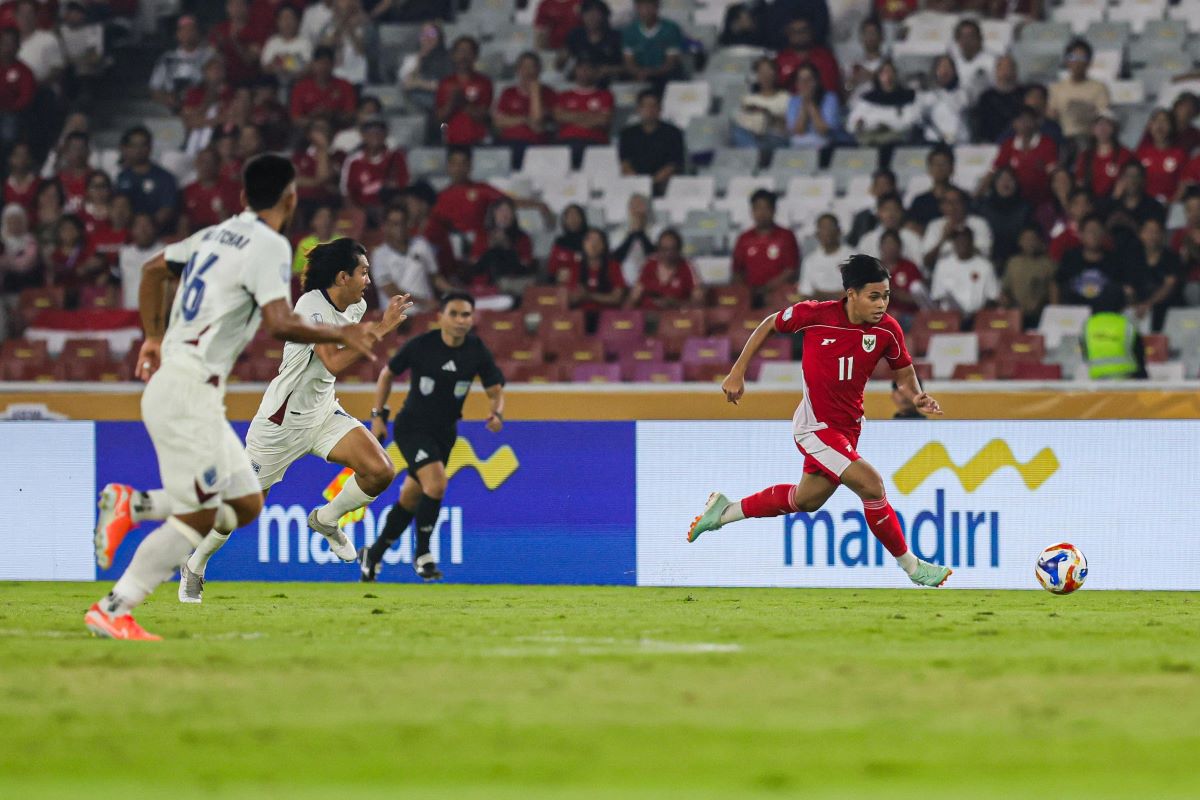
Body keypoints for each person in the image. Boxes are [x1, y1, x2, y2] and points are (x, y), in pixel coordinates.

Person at [87, 154, 381, 639]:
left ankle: (133, 517)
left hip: (184, 386)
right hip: (188, 391)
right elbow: (280, 322)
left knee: (244, 505)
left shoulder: (213, 235)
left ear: (243, 198)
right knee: (202, 511)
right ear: (290, 199)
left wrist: (154, 336)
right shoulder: (267, 245)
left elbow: (152, 270)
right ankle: (119, 587)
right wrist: (348, 337)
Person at [687, 254, 950, 588]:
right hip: (816, 428)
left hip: (849, 428)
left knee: (806, 500)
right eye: (874, 296)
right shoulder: (815, 315)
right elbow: (770, 322)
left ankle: (724, 512)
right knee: (872, 485)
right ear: (851, 294)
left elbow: (904, 371)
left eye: (886, 296)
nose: (882, 304)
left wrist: (916, 396)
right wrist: (738, 372)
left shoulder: (888, 330)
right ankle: (913, 567)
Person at [361, 291, 505, 581]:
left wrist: (497, 412)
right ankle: (423, 554)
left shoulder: (476, 350)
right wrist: (378, 416)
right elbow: (387, 374)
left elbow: (495, 388)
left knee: (411, 498)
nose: (460, 320)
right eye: (454, 313)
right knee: (437, 483)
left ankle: (373, 554)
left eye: (466, 314)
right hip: (412, 428)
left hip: (445, 433)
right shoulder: (421, 346)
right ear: (440, 317)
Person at [730, 189, 800, 304]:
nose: (761, 213)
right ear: (752, 211)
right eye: (757, 208)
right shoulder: (744, 238)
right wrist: (747, 291)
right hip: (750, 297)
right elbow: (736, 271)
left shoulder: (786, 236)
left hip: (779, 296)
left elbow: (791, 270)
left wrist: (767, 289)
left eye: (766, 208)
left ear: (773, 210)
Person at [371, 204, 445, 312]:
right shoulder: (379, 255)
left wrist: (453, 292)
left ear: (408, 224)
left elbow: (435, 278)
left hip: (427, 313)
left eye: (403, 223)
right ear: (386, 226)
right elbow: (390, 290)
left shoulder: (421, 244)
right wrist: (423, 303)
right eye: (395, 224)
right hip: (398, 318)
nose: (400, 228)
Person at [1055, 214, 1130, 313]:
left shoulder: (1114, 260)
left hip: (1105, 318)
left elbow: (1126, 292)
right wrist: (1056, 310)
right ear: (1081, 234)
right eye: (1090, 231)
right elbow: (1056, 283)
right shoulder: (1071, 258)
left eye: (1098, 230)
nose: (1094, 235)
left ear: (1104, 234)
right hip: (1074, 316)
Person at [618, 89, 686, 197]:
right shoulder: (627, 134)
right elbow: (625, 164)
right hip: (636, 184)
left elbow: (673, 165)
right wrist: (639, 183)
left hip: (662, 184)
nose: (650, 110)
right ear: (638, 109)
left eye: (653, 106)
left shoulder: (673, 133)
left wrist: (651, 182)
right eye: (645, 106)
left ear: (660, 109)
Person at [990, 104, 1058, 207]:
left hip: (1042, 200)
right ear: (1013, 124)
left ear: (1036, 121)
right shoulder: (1008, 145)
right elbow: (995, 171)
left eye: (1027, 119)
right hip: (1014, 202)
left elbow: (1053, 173)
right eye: (1019, 120)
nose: (1024, 124)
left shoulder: (1047, 143)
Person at [493, 51, 556, 161]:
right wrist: (525, 120)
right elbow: (499, 121)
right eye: (524, 67)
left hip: (535, 145)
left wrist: (535, 91)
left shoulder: (548, 93)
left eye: (532, 67)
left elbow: (537, 120)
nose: (528, 71)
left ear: (539, 70)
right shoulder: (508, 92)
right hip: (507, 144)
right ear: (518, 70)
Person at [338, 116, 409, 213]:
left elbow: (403, 187)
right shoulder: (353, 161)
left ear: (386, 134)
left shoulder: (396, 157)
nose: (375, 134)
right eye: (369, 130)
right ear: (363, 135)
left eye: (379, 130)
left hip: (388, 211)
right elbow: (346, 194)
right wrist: (357, 215)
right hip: (361, 211)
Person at [1125, 216, 1184, 332]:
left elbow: (1169, 286)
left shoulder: (1171, 257)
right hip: (1139, 306)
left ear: (1162, 235)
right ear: (1141, 234)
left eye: (1156, 232)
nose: (1152, 236)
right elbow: (1129, 288)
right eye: (1148, 231)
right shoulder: (1133, 258)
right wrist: (1134, 305)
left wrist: (1148, 304)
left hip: (1165, 306)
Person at [553, 57, 615, 166]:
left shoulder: (605, 95)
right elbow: (559, 117)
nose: (584, 72)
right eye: (580, 68)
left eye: (588, 68)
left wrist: (572, 118)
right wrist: (590, 116)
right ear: (575, 70)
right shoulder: (564, 95)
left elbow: (603, 121)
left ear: (595, 72)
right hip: (566, 142)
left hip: (595, 142)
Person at [1048, 38, 1110, 142]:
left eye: (1081, 57)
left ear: (1089, 62)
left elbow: (1104, 117)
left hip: (1089, 138)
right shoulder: (1056, 88)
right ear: (1066, 61)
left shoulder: (1099, 88)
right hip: (1062, 138)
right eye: (1072, 57)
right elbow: (1052, 115)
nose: (1077, 62)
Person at [148, 15, 214, 112]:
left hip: (201, 107)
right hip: (172, 109)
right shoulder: (167, 58)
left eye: (191, 30)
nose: (187, 33)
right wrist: (167, 99)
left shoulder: (209, 56)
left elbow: (215, 86)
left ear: (198, 33)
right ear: (177, 34)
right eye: (184, 30)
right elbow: (154, 88)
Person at [846, 61, 920, 147]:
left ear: (896, 75)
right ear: (878, 76)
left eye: (891, 72)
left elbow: (911, 122)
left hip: (898, 141)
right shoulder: (867, 99)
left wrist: (887, 126)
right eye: (884, 72)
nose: (888, 76)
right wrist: (859, 124)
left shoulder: (908, 97)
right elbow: (851, 124)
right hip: (871, 141)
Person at [435, 36, 492, 146]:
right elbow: (439, 119)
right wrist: (451, 102)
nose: (464, 56)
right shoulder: (445, 83)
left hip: (478, 141)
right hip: (451, 141)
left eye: (468, 51)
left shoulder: (484, 82)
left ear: (475, 56)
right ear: (453, 55)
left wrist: (462, 102)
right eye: (460, 51)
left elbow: (484, 116)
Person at [930, 227, 999, 319]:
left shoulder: (985, 266)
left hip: (976, 318)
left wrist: (980, 316)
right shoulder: (942, 265)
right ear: (953, 243)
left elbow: (993, 297)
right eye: (957, 239)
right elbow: (937, 296)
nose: (961, 243)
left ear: (971, 241)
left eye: (964, 239)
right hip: (949, 319)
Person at [625, 228, 702, 309]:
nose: (668, 254)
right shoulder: (649, 265)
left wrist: (675, 303)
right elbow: (633, 298)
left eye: (672, 249)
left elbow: (699, 303)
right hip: (648, 317)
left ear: (679, 250)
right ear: (658, 249)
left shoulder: (687, 267)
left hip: (677, 318)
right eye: (664, 249)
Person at [921, 187, 992, 270]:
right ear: (942, 207)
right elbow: (927, 262)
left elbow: (985, 256)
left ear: (964, 204)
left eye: (957, 202)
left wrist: (964, 240)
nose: (953, 207)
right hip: (944, 275)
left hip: (972, 272)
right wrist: (943, 239)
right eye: (948, 203)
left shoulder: (979, 224)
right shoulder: (934, 225)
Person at [559, 226, 626, 313]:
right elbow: (567, 299)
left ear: (604, 245)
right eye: (589, 240)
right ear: (583, 244)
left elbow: (617, 298)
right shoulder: (575, 266)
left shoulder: (613, 266)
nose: (593, 245)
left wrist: (589, 296)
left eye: (598, 241)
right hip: (579, 316)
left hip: (606, 317)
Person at [977, 166, 1034, 269]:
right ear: (995, 183)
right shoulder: (983, 208)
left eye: (1010, 179)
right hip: (988, 260)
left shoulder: (1025, 208)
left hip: (1018, 263)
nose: (1006, 183)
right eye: (1001, 179)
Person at [289, 46, 357, 130]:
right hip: (308, 129)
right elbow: (296, 119)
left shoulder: (344, 85)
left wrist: (332, 114)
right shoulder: (301, 87)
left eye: (327, 63)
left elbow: (350, 114)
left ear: (333, 65)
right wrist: (314, 119)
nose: (323, 67)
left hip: (337, 127)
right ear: (313, 64)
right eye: (319, 63)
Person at [1001, 224, 1055, 329]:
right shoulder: (1013, 263)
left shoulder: (1048, 265)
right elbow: (1005, 291)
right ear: (1020, 241)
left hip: (1040, 316)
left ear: (1040, 241)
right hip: (1015, 316)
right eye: (1026, 239)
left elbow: (1053, 293)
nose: (1030, 243)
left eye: (1033, 239)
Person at [732, 57, 791, 151]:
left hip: (775, 137)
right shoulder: (748, 99)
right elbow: (743, 121)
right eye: (761, 72)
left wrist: (769, 115)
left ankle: (754, 153)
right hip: (751, 136)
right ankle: (753, 153)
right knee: (737, 130)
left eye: (769, 72)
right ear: (757, 76)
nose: (765, 76)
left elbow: (789, 125)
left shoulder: (786, 97)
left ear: (775, 74)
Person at [621, 0, 684, 88]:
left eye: (649, 6)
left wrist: (650, 72)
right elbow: (629, 61)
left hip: (665, 78)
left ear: (657, 7)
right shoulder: (629, 31)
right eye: (641, 7)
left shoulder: (671, 29)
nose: (645, 11)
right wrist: (638, 72)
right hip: (638, 78)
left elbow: (671, 62)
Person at [562, 0, 624, 88]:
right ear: (582, 16)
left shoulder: (616, 37)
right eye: (588, 13)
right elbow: (564, 61)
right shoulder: (575, 35)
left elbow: (626, 66)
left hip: (611, 82)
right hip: (580, 82)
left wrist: (609, 70)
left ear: (604, 16)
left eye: (596, 14)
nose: (592, 17)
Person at [774, 16, 839, 95]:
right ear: (789, 34)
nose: (799, 36)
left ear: (811, 32)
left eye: (803, 31)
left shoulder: (825, 57)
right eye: (794, 32)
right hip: (788, 104)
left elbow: (833, 88)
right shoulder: (781, 59)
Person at [398, 22, 451, 119]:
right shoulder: (411, 58)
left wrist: (420, 83)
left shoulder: (448, 58)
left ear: (439, 37)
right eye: (424, 34)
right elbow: (407, 83)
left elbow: (449, 86)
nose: (428, 37)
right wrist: (419, 59)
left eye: (432, 34)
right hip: (417, 100)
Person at [1135, 109, 1187, 203]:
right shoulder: (1141, 153)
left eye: (1165, 121)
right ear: (1150, 126)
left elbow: (1183, 185)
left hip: (1169, 206)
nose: (1159, 125)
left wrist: (1170, 203)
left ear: (1172, 127)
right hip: (1142, 205)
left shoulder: (1180, 154)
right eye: (1156, 121)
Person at [786, 62, 842, 149]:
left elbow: (823, 130)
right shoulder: (793, 101)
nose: (804, 84)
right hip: (799, 146)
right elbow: (798, 131)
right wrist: (804, 104)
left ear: (817, 81)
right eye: (801, 80)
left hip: (826, 146)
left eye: (808, 80)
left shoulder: (830, 98)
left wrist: (811, 104)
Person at [908, 144, 963, 230]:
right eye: (935, 164)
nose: (939, 168)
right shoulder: (920, 201)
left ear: (952, 168)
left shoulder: (962, 198)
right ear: (929, 169)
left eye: (943, 164)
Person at [799, 213, 853, 301]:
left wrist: (820, 294)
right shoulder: (810, 260)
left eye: (829, 227)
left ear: (839, 231)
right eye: (822, 228)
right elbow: (806, 293)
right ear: (817, 234)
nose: (826, 232)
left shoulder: (853, 257)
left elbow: (857, 292)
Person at [857, 192, 922, 262]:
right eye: (886, 209)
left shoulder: (912, 238)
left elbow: (918, 266)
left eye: (895, 210)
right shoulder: (868, 239)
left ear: (902, 212)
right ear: (878, 212)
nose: (891, 215)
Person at [919, 54, 969, 145]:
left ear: (954, 71)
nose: (945, 71)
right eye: (941, 67)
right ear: (935, 71)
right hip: (934, 142)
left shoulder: (964, 93)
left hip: (960, 142)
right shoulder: (926, 96)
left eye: (948, 67)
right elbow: (920, 119)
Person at [117, 213, 161, 310]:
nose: (143, 230)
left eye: (147, 225)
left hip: (158, 314)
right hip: (130, 315)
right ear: (132, 230)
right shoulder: (124, 254)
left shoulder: (166, 253)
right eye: (138, 226)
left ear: (154, 228)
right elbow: (114, 282)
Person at [973, 54, 1022, 143]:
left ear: (1015, 71)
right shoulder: (986, 97)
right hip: (992, 143)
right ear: (996, 71)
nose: (1006, 71)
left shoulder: (1024, 94)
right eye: (1002, 68)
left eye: (1009, 67)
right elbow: (981, 127)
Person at [260, 4, 312, 86]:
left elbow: (308, 66)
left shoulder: (305, 42)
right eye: (283, 18)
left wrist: (279, 61)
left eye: (290, 18)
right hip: (275, 85)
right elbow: (265, 67)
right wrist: (295, 61)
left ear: (298, 21)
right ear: (278, 21)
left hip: (299, 83)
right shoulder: (272, 42)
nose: (287, 22)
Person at [949, 18, 993, 104]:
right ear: (957, 40)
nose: (967, 41)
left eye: (971, 36)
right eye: (963, 36)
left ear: (979, 38)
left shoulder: (992, 61)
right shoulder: (951, 61)